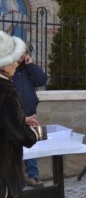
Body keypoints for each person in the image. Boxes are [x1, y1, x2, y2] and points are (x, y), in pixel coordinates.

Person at [0, 30, 43, 198]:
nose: (17, 62)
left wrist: (20, 119)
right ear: (6, 64)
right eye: (14, 59)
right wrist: (34, 133)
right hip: (3, 168)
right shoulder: (6, 89)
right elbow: (18, 135)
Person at [13, 50, 48, 188]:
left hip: (30, 114)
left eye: (23, 53)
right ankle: (15, 178)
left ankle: (33, 175)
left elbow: (42, 80)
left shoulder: (29, 69)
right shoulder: (8, 69)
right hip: (14, 115)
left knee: (31, 146)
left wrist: (31, 65)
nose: (21, 56)